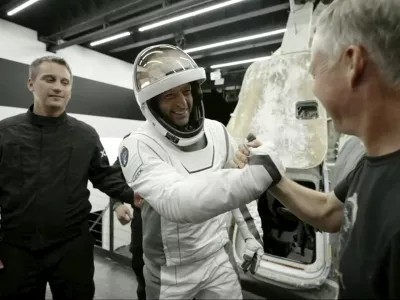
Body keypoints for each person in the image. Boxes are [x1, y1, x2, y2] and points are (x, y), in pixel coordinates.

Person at [234, 0, 400, 298]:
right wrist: (271, 176)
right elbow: (329, 212)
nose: (314, 89)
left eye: (315, 70)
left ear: (353, 63)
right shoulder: (370, 162)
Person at [118, 44, 284, 299]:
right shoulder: (137, 144)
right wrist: (256, 177)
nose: (182, 102)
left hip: (218, 257)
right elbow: (178, 202)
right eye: (169, 95)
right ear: (151, 103)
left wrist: (252, 236)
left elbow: (234, 187)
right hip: (170, 271)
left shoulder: (217, 131)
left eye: (186, 91)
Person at [0, 55, 135, 300]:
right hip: (16, 248)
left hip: (72, 248)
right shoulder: (5, 133)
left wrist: (135, 195)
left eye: (65, 82)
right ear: (31, 83)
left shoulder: (86, 135)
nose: (58, 87)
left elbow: (105, 176)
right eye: (49, 79)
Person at [112, 158, 146, 300]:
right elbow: (112, 176)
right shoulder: (135, 140)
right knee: (143, 278)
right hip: (143, 224)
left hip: (186, 229)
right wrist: (117, 204)